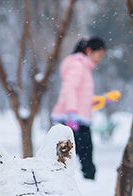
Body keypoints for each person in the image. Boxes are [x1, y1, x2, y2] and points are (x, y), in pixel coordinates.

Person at [52, 37, 106, 180]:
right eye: (99, 55)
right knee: (77, 157)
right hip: (72, 119)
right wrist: (71, 113)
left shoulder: (83, 67)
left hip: (78, 118)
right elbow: (69, 89)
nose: (99, 59)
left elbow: (81, 95)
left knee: (71, 156)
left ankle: (85, 182)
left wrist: (99, 101)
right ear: (89, 51)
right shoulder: (77, 65)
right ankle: (87, 184)